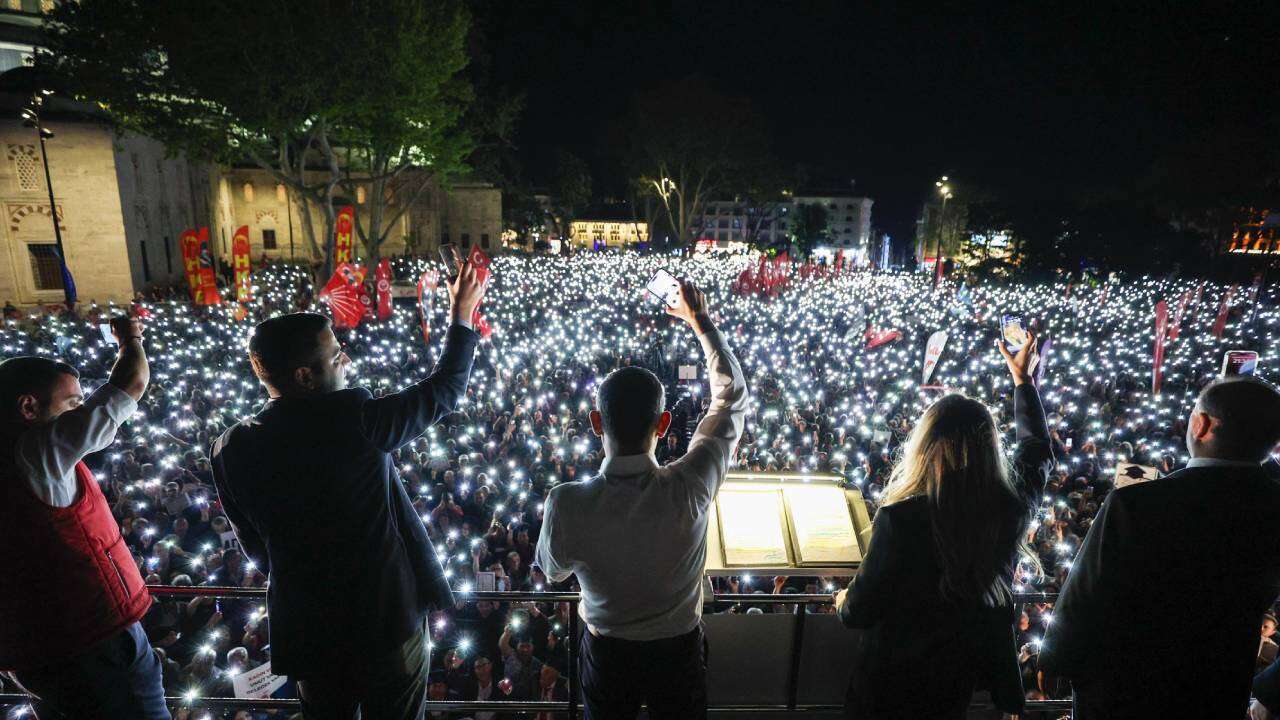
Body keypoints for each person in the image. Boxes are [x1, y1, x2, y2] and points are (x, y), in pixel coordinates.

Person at [210, 261, 485, 719]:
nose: (347, 360)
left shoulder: (229, 448)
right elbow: (445, 389)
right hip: (386, 624)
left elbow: (255, 547)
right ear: (304, 375)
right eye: (336, 353)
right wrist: (462, 315)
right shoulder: (356, 420)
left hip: (309, 633)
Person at [534, 280, 748, 719]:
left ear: (596, 422)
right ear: (664, 424)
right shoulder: (691, 486)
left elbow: (553, 571)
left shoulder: (566, 503)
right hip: (679, 655)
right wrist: (701, 323)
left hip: (608, 658)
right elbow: (731, 399)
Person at [832, 333, 1053, 719]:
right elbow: (1037, 451)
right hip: (958, 685)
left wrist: (841, 600)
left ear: (925, 446)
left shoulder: (901, 519)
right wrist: (1024, 384)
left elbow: (859, 611)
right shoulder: (1009, 509)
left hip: (888, 690)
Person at [1041, 375, 1280, 719]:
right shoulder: (1272, 509)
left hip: (1123, 690)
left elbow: (1085, 594)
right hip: (1216, 690)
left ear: (1201, 425)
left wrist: (1054, 662)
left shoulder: (1134, 503)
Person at [0, 317, 165, 719]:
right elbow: (130, 385)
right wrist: (130, 338)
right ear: (28, 407)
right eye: (73, 404)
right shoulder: (36, 453)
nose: (81, 411)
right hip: (92, 642)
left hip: (32, 649)